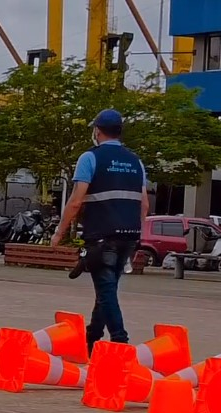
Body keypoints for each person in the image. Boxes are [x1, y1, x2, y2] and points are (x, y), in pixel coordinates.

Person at [52, 109, 149, 355]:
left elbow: (75, 201)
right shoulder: (135, 162)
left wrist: (59, 232)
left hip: (102, 238)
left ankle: (120, 344)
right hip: (129, 236)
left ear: (97, 130)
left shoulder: (90, 158)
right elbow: (144, 204)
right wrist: (136, 233)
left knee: (106, 293)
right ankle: (91, 340)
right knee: (107, 291)